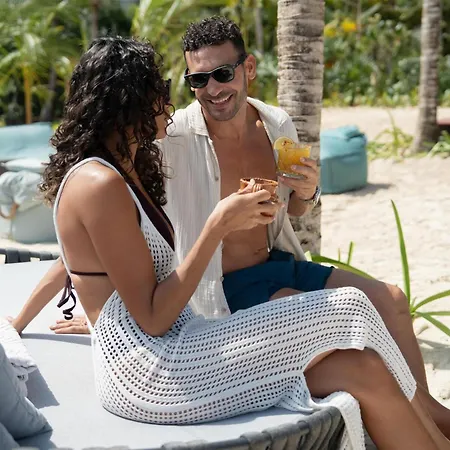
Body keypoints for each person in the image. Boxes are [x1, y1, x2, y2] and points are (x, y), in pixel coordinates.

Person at [8, 16, 450, 438]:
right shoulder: (159, 145)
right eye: (194, 81)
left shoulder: (273, 124)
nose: (201, 92)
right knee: (350, 314)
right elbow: (100, 266)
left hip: (268, 269)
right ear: (130, 103)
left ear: (247, 69)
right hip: (203, 312)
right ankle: (435, 419)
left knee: (382, 317)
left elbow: (98, 257)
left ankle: (430, 422)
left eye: (222, 74)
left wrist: (308, 192)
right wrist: (90, 317)